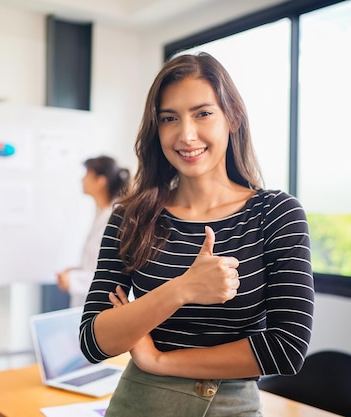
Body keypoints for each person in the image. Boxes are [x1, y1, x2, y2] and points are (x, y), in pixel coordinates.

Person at [79, 52, 314, 417]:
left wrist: (160, 361)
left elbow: (286, 348)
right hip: (138, 404)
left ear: (231, 116)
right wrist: (182, 289)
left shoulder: (275, 213)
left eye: (202, 113)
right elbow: (93, 340)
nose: (186, 135)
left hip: (229, 406)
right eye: (169, 119)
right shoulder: (130, 215)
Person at [56, 156, 130, 307]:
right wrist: (76, 271)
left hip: (100, 308)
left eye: (87, 174)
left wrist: (72, 280)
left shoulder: (115, 219)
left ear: (100, 181)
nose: (82, 180)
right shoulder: (101, 214)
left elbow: (110, 275)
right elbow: (96, 261)